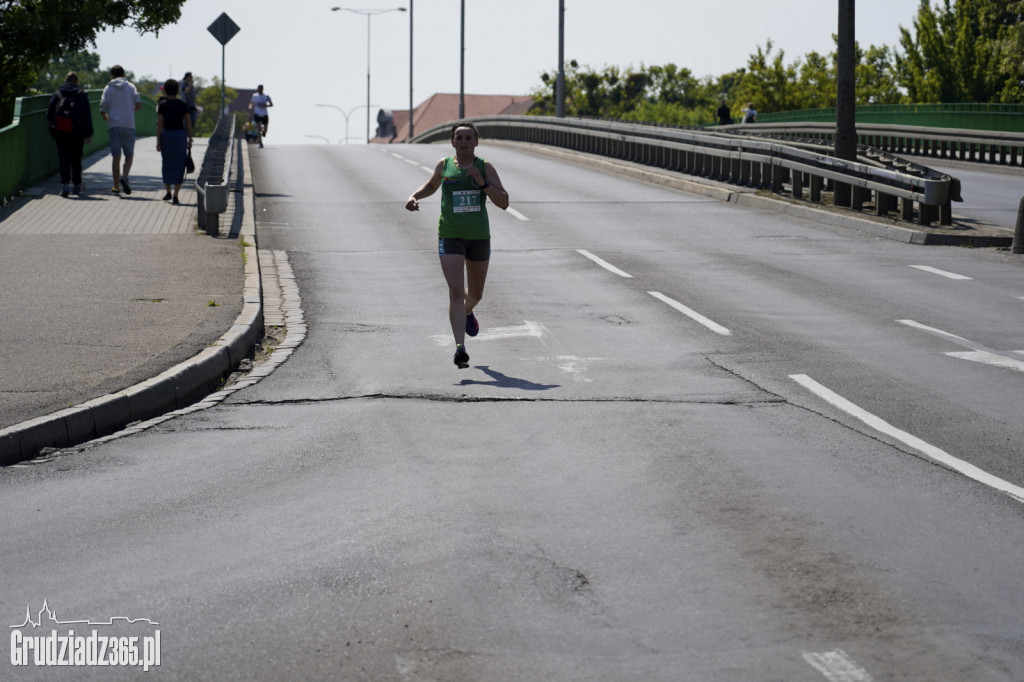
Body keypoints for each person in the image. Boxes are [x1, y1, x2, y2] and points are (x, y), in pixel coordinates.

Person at [405, 121, 510, 369]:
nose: (463, 142)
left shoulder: (485, 167)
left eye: (468, 138)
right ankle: (460, 348)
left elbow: (504, 202)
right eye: (459, 138)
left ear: (476, 142)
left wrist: (482, 183)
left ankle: (467, 311)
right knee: (455, 290)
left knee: (474, 295)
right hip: (450, 235)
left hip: (479, 237)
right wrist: (413, 196)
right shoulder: (445, 165)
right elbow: (432, 186)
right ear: (452, 142)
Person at [45, 72, 94, 197]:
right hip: (77, 133)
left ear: (65, 80)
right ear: (76, 82)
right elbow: (87, 116)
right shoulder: (81, 94)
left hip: (60, 132)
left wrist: (57, 124)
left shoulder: (58, 93)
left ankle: (65, 186)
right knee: (76, 158)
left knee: (63, 158)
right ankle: (77, 185)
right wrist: (89, 134)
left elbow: (49, 114)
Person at [99, 65, 142, 195]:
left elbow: (102, 107)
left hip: (113, 125)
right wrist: (129, 111)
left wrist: (105, 115)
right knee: (129, 155)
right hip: (128, 125)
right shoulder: (131, 86)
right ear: (123, 74)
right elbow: (138, 104)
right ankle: (125, 176)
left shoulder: (108, 88)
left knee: (116, 156)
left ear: (112, 75)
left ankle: (116, 186)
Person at [155, 78, 193, 205]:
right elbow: (187, 122)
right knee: (179, 164)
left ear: (165, 90)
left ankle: (168, 192)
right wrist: (190, 138)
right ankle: (176, 194)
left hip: (167, 136)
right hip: (180, 136)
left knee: (167, 163)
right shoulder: (183, 104)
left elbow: (160, 123)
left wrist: (158, 140)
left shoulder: (162, 105)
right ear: (177, 90)